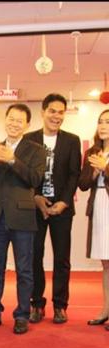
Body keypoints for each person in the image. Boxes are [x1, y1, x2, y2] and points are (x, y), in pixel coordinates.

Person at [0, 103, 45, 334]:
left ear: (27, 125)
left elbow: (35, 179)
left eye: (19, 120)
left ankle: (22, 314)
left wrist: (13, 159)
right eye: (11, 119)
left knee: (24, 269)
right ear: (5, 120)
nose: (14, 123)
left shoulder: (36, 150)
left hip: (22, 217)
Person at [25, 93, 81, 324]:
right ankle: (36, 304)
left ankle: (60, 305)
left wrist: (64, 202)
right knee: (34, 256)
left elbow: (74, 174)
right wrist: (35, 197)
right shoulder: (29, 139)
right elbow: (24, 174)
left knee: (62, 259)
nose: (56, 116)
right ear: (43, 112)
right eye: (52, 111)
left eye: (61, 112)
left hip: (62, 209)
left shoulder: (72, 140)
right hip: (34, 209)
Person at [78, 109, 109, 330]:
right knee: (106, 262)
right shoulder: (92, 151)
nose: (103, 125)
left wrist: (105, 169)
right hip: (99, 205)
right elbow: (82, 184)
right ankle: (106, 308)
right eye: (101, 122)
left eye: (108, 121)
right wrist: (95, 173)